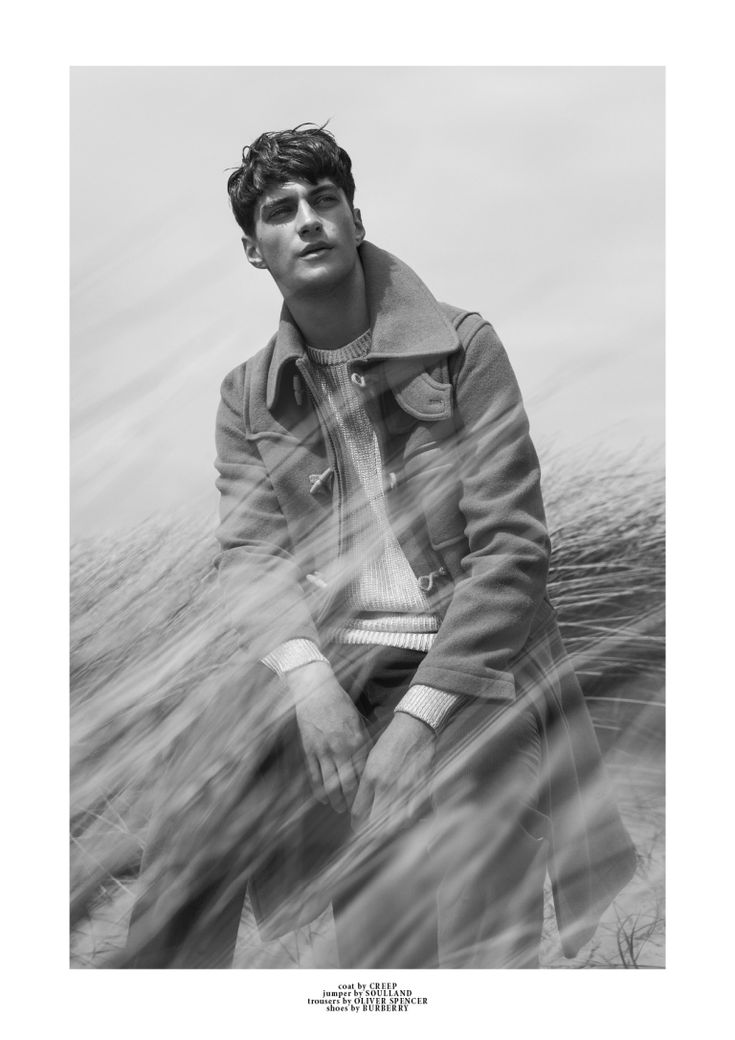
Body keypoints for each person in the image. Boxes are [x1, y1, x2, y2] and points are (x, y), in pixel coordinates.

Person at [125, 123, 636, 969]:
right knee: (205, 764)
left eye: (325, 201)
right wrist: (309, 682)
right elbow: (249, 558)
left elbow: (511, 551)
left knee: (477, 823)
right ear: (255, 250)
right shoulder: (245, 397)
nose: (308, 220)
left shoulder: (462, 345)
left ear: (355, 220)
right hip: (341, 657)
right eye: (282, 211)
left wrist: (417, 720)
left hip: (471, 656)